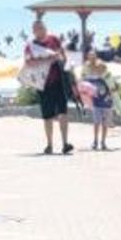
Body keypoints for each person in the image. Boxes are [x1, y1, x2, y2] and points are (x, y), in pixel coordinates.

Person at [25, 20, 73, 155]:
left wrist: (61, 59)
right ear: (33, 31)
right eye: (37, 29)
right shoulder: (31, 45)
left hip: (59, 81)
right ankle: (49, 145)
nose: (40, 30)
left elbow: (63, 56)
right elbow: (28, 62)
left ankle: (65, 144)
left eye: (42, 28)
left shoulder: (54, 39)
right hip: (43, 84)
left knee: (63, 112)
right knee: (47, 116)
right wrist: (47, 59)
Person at [81, 50, 116, 150]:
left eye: (93, 57)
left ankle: (103, 142)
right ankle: (96, 141)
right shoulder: (88, 72)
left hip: (106, 100)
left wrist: (113, 97)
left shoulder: (105, 71)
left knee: (104, 123)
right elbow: (83, 83)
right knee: (96, 123)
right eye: (90, 56)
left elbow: (112, 86)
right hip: (96, 101)